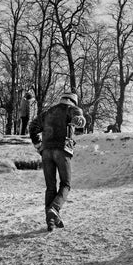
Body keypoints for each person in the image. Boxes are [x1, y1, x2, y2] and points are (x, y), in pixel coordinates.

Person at [29, 92, 86, 231]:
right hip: (62, 149)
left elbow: (32, 127)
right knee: (66, 184)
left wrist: (38, 145)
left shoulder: (48, 112)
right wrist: (80, 119)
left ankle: (52, 220)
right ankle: (54, 208)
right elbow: (79, 117)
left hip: (46, 151)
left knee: (50, 186)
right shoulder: (71, 108)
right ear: (73, 101)